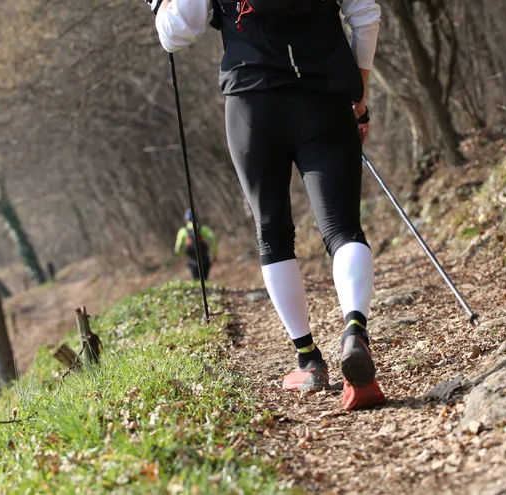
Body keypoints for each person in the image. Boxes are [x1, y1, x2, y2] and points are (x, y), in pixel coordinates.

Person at [151, 0, 385, 410]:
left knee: (273, 233)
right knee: (342, 228)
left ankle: (309, 361)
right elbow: (365, 13)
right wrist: (359, 97)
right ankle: (354, 331)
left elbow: (177, 31)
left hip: (252, 105)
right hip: (325, 96)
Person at [174, 208, 217, 281]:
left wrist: (183, 254)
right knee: (205, 279)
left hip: (192, 261)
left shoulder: (183, 232)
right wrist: (214, 254)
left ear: (186, 219)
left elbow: (177, 249)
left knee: (196, 281)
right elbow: (213, 239)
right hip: (204, 259)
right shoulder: (203, 229)